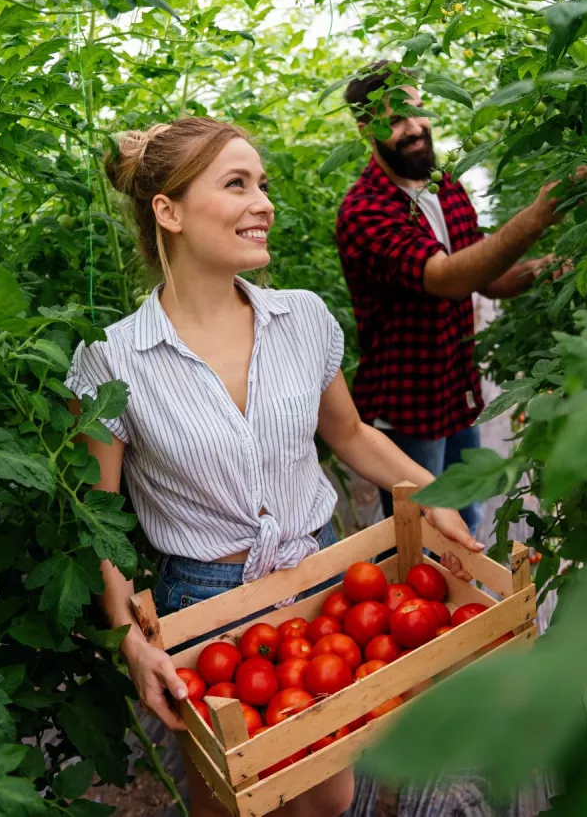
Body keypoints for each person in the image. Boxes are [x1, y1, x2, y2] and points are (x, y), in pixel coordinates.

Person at [64, 117, 484, 817]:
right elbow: (99, 519)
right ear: (167, 211)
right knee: (234, 799)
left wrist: (431, 490)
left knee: (328, 794)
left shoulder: (304, 319)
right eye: (237, 185)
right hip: (204, 607)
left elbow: (349, 433)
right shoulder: (112, 362)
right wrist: (127, 637)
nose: (264, 203)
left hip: (318, 578)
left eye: (262, 184)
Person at [335, 62, 587, 531]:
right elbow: (447, 278)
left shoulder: (445, 186)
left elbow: (483, 277)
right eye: (394, 120)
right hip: (407, 406)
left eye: (417, 111)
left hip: (456, 389)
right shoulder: (365, 210)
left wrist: (541, 269)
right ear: (365, 127)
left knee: (468, 512)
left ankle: (470, 604)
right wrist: (534, 219)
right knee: (423, 534)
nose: (413, 128)